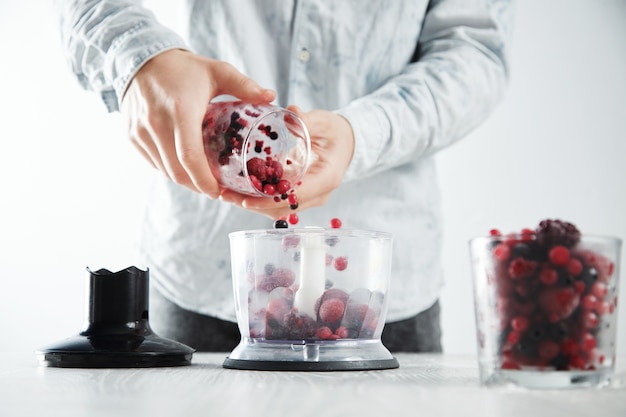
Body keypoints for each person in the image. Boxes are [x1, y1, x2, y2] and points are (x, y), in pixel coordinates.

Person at [55, 0, 513, 352]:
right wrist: (138, 57)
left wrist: (361, 134)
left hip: (375, 294)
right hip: (203, 275)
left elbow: (474, 50)